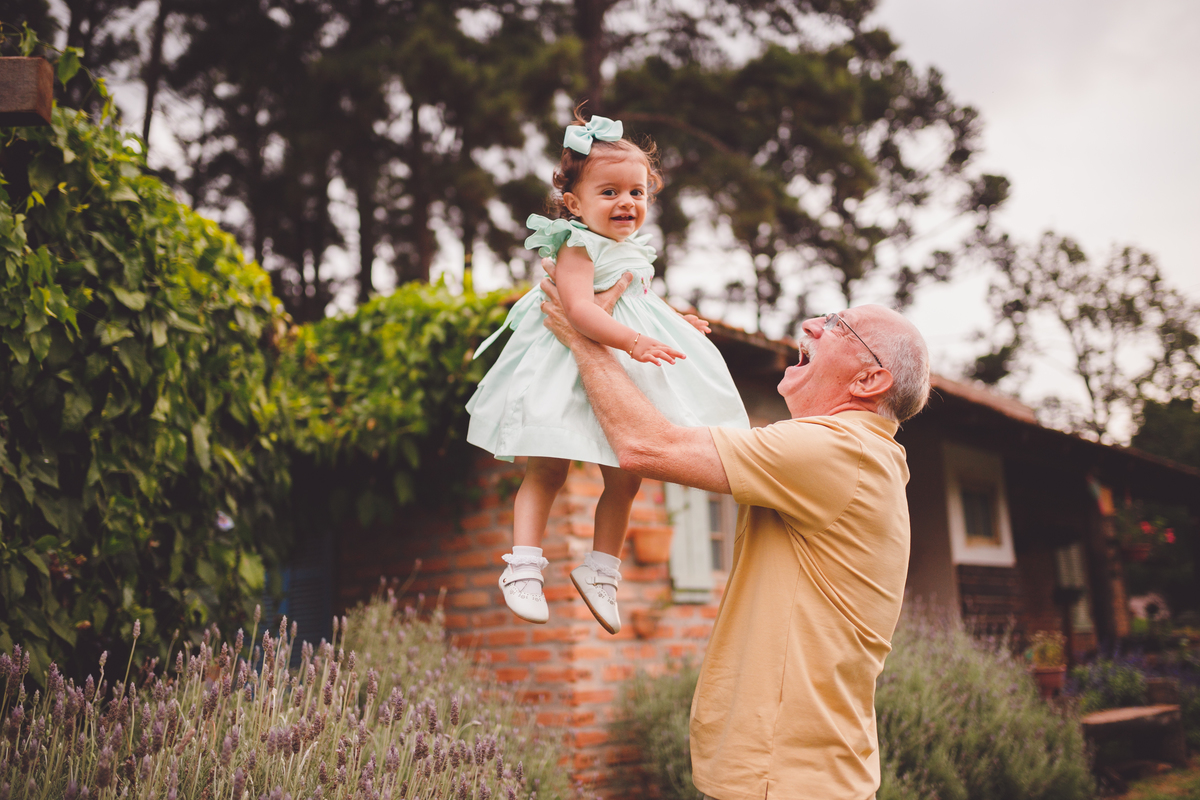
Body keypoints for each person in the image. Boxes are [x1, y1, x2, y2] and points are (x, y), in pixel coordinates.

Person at [537, 275, 931, 800]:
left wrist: (583, 335)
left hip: (786, 778)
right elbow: (679, 428)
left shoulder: (840, 451)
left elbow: (645, 445)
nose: (813, 323)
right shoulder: (848, 457)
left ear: (867, 382)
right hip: (791, 774)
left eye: (839, 326)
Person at [465, 111, 749, 634]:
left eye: (637, 193)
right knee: (547, 468)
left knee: (630, 472)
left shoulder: (632, 251)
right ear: (574, 204)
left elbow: (636, 297)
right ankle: (523, 567)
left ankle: (601, 571)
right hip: (567, 369)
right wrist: (637, 340)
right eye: (610, 192)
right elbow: (581, 311)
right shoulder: (576, 245)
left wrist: (673, 320)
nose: (627, 203)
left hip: (617, 371)